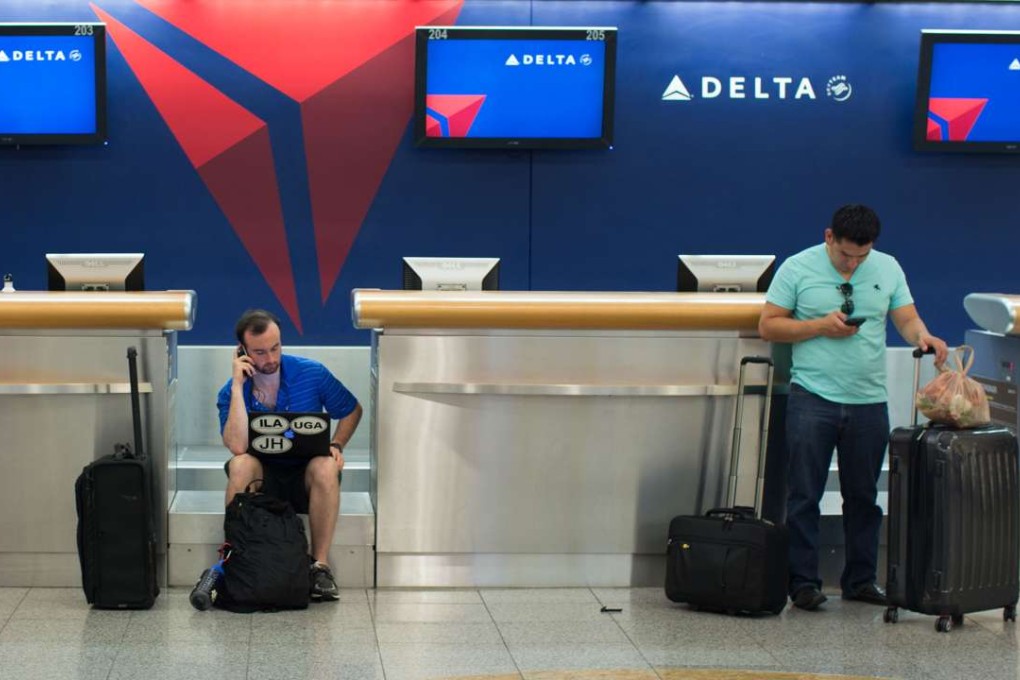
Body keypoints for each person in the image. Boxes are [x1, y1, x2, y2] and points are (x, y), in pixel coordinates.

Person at [758, 204, 948, 611]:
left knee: (863, 496)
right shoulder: (797, 268)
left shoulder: (888, 268)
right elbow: (769, 325)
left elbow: (906, 317)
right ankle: (804, 584)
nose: (853, 263)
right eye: (846, 254)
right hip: (813, 397)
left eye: (861, 256)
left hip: (868, 400)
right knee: (804, 494)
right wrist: (819, 327)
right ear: (829, 237)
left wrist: (923, 337)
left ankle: (861, 580)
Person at [217, 309, 362, 601]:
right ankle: (239, 556)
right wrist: (237, 386)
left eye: (275, 348)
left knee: (325, 465)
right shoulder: (230, 391)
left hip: (304, 478)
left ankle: (319, 567)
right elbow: (236, 445)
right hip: (263, 480)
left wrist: (337, 445)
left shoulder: (311, 372)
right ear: (242, 352)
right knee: (240, 463)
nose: (270, 359)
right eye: (259, 352)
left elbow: (351, 410)